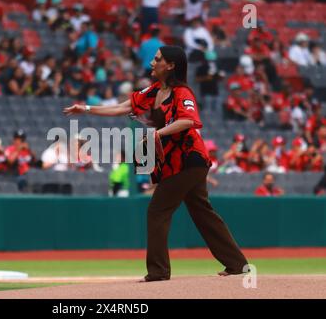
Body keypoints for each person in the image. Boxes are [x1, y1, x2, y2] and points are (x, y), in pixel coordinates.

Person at [64, 45, 249, 281]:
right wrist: (87, 109)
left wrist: (157, 134)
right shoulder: (153, 91)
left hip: (189, 159)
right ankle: (237, 264)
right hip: (178, 161)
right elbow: (123, 107)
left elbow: (188, 121)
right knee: (203, 212)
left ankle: (159, 271)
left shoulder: (182, 93)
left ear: (170, 65)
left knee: (158, 210)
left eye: (157, 59)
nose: (152, 62)